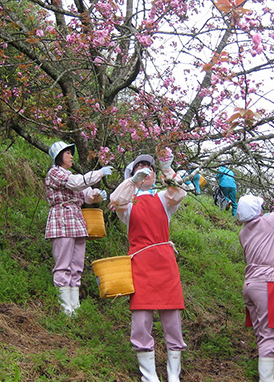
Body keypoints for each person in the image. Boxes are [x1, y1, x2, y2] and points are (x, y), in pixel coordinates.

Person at [110, 150, 187, 382]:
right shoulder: (128, 204)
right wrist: (132, 182)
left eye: (149, 169)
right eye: (139, 168)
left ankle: (174, 375)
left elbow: (179, 192)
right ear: (131, 174)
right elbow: (116, 200)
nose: (146, 172)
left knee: (172, 319)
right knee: (141, 320)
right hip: (140, 263)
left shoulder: (164, 198)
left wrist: (166, 168)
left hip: (165, 262)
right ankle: (149, 376)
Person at [45, 141, 113, 316]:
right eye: (68, 153)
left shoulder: (69, 175)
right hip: (62, 219)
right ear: (59, 155)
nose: (71, 156)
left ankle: (74, 305)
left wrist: (96, 195)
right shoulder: (55, 173)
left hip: (76, 220)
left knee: (76, 265)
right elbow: (76, 184)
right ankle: (64, 305)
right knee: (63, 264)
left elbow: (85, 195)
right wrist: (98, 173)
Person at [237, 194, 274, 382]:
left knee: (263, 333)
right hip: (268, 283)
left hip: (251, 285)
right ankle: (266, 379)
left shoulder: (243, 232)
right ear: (258, 211)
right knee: (271, 333)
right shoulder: (268, 223)